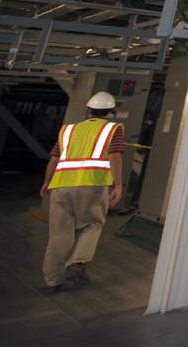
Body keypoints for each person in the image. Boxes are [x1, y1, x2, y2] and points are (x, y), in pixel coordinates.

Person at [39, 91, 124, 293]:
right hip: (92, 186)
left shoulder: (68, 130)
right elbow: (115, 157)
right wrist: (118, 186)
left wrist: (46, 182)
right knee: (92, 224)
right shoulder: (113, 129)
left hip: (61, 186)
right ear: (111, 112)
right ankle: (77, 262)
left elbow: (54, 159)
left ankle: (52, 281)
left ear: (88, 110)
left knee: (59, 234)